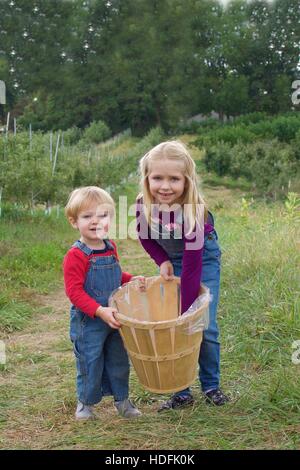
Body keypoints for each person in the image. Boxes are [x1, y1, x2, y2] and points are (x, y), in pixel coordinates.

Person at [136, 141, 230, 410]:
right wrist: (161, 259)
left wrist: (188, 310)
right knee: (172, 327)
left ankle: (211, 384)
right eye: (157, 178)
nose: (165, 186)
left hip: (202, 260)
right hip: (174, 259)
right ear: (147, 178)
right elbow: (145, 238)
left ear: (186, 181)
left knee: (203, 324)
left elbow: (192, 266)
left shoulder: (195, 212)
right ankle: (181, 391)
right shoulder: (143, 205)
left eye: (174, 179)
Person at [64, 186, 144, 420]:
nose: (95, 221)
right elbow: (74, 292)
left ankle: (122, 401)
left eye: (102, 215)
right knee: (90, 361)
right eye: (87, 216)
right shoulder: (76, 255)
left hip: (115, 318)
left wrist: (131, 280)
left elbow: (115, 276)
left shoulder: (110, 248)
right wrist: (98, 311)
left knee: (119, 359)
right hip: (89, 322)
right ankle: (85, 404)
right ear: (74, 221)